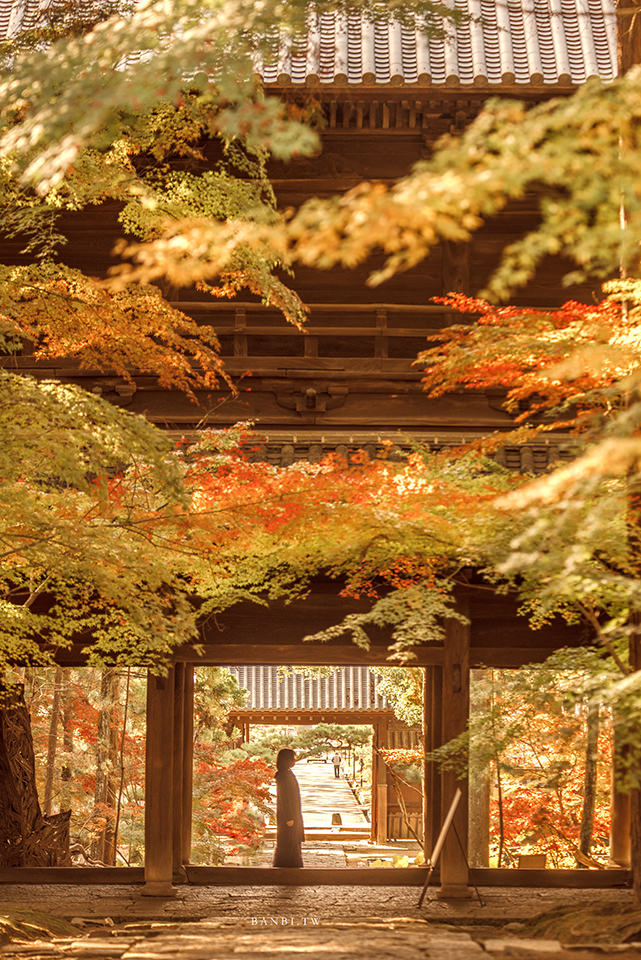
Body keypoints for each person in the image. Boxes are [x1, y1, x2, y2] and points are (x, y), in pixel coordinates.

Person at [273, 748, 305, 867]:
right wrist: (289, 817)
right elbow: (285, 799)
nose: (294, 761)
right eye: (292, 759)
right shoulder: (283, 776)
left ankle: (291, 865)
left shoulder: (285, 774)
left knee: (292, 842)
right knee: (288, 842)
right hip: (289, 817)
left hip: (292, 815)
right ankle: (288, 866)